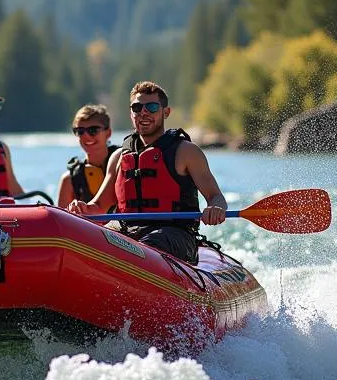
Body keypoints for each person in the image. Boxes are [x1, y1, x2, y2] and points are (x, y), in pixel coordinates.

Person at [67, 81, 228, 264]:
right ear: (131, 113)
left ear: (165, 113)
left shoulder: (186, 152)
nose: (143, 112)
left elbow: (216, 197)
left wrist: (216, 208)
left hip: (174, 234)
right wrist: (82, 208)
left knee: (145, 247)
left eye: (151, 107)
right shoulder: (119, 157)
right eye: (137, 107)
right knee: (96, 240)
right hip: (126, 230)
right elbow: (98, 206)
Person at [55, 104, 119, 211]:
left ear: (108, 133)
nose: (86, 136)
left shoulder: (124, 166)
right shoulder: (69, 180)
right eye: (80, 131)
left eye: (93, 130)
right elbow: (61, 223)